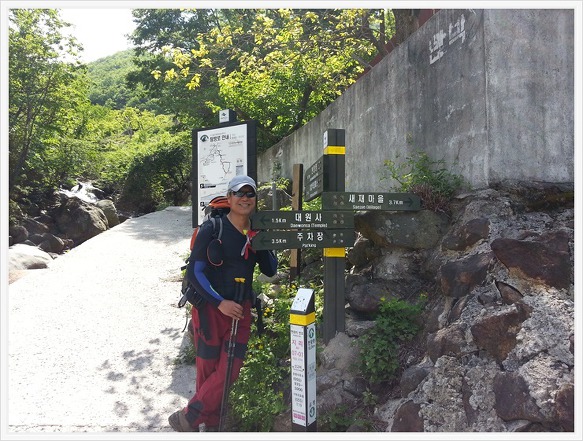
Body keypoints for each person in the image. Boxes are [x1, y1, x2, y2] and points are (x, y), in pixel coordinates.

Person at [169, 175, 277, 432]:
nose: (245, 198)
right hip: (210, 310)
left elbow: (270, 269)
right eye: (239, 193)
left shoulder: (256, 232)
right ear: (229, 198)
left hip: (241, 311)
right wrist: (219, 303)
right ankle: (211, 425)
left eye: (250, 194)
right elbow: (195, 272)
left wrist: (260, 240)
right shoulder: (212, 229)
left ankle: (188, 417)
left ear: (255, 199)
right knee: (208, 369)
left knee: (231, 369)